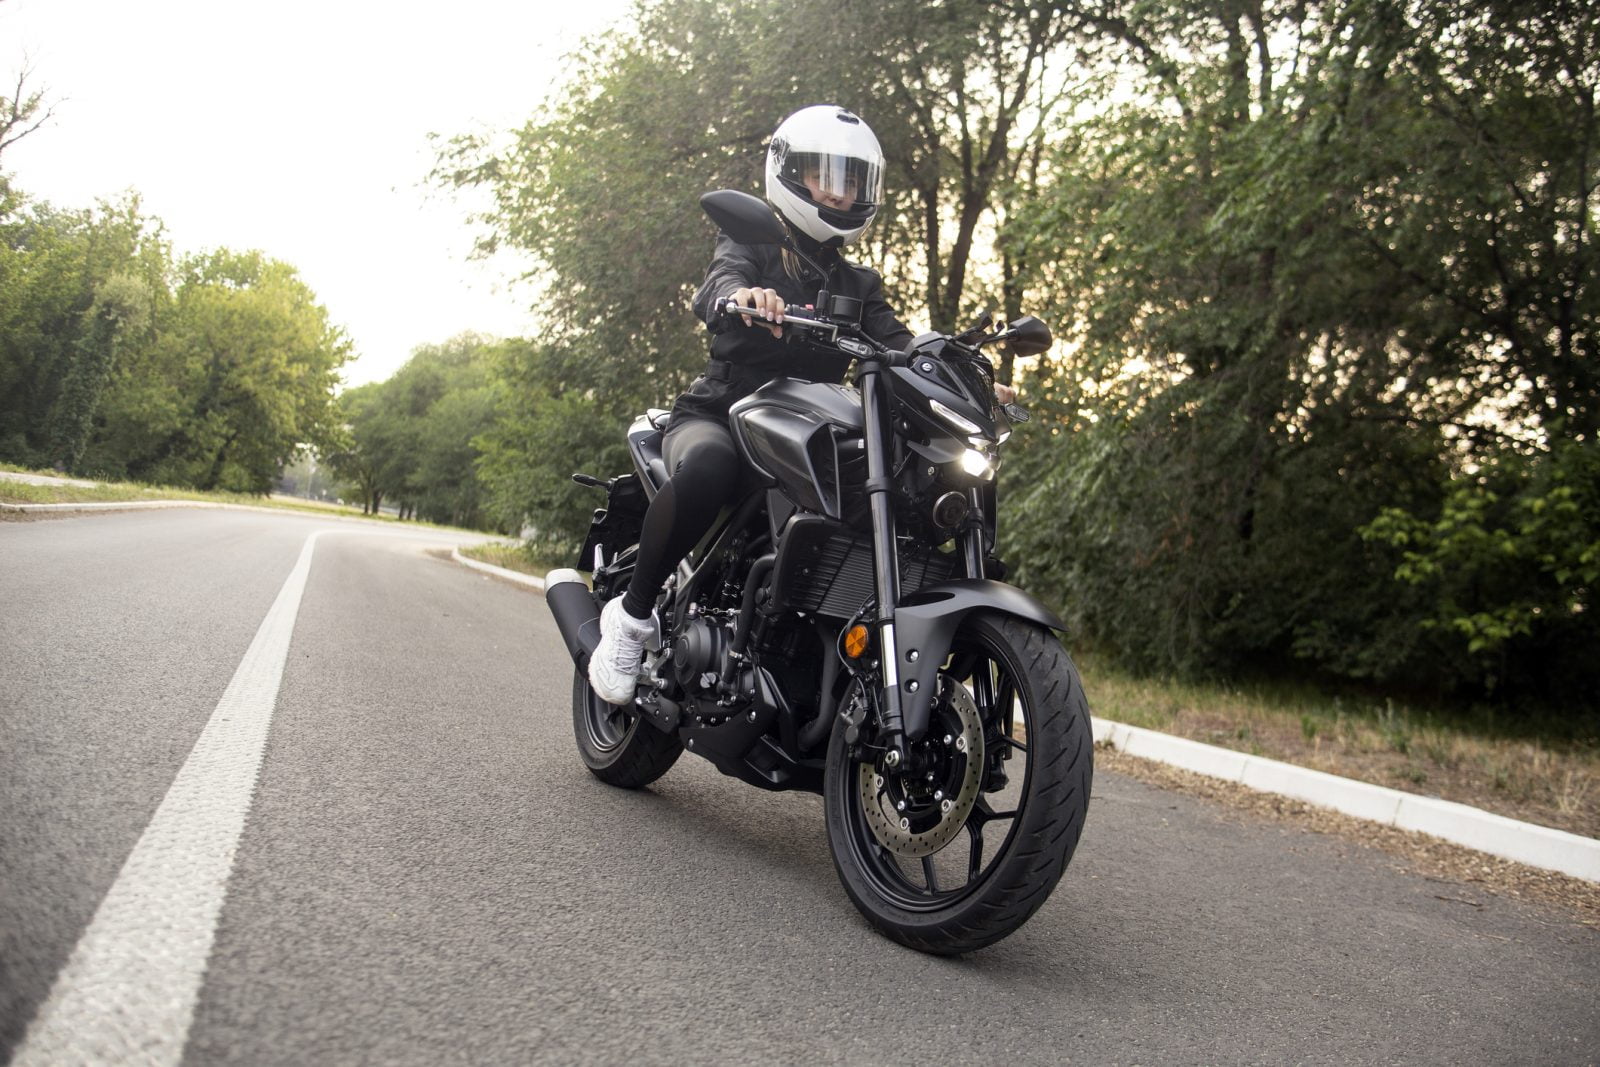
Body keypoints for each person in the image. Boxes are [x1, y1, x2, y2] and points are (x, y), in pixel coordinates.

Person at [588, 105, 1000, 705]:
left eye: (851, 180)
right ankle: (630, 621)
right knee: (708, 468)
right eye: (825, 177)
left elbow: (903, 347)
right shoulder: (751, 242)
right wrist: (741, 297)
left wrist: (967, 375)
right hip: (722, 413)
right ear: (789, 174)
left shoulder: (859, 285)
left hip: (807, 424)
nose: (839, 192)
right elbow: (718, 286)